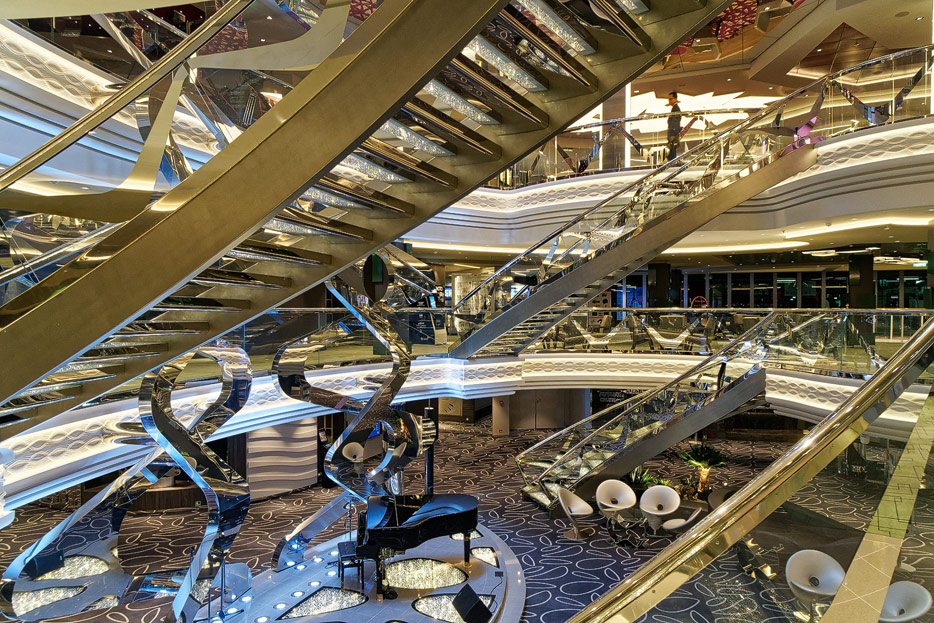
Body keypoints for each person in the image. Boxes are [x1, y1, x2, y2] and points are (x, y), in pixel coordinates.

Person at [666, 91, 682, 162]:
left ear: (675, 99)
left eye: (671, 99)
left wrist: (673, 134)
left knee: (672, 151)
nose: (669, 101)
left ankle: (672, 163)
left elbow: (675, 122)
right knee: (672, 150)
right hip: (673, 133)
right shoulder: (674, 108)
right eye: (668, 99)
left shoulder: (676, 109)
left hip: (673, 133)